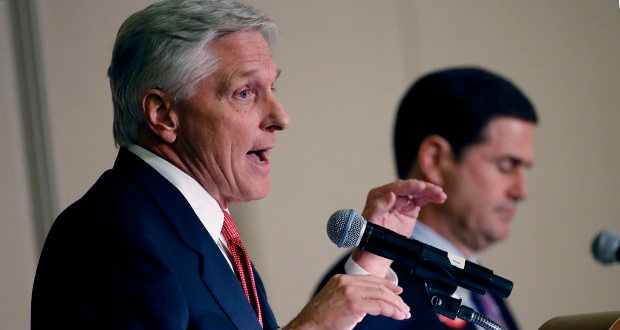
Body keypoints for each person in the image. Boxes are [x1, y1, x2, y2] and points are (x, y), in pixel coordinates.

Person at [30, 1, 447, 329]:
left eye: (272, 88)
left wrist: (369, 264)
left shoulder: (208, 231)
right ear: (163, 114)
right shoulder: (112, 235)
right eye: (245, 93)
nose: (281, 117)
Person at [316, 67, 537, 330]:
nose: (522, 191)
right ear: (436, 160)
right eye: (506, 166)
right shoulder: (361, 294)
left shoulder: (483, 293)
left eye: (525, 169)